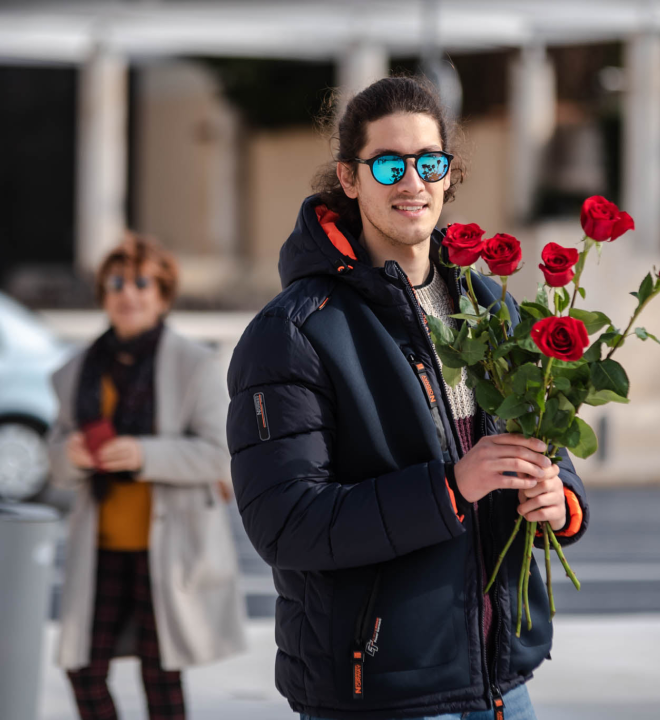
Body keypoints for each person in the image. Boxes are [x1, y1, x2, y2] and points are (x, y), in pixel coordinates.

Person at [225, 76, 588, 720]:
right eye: (388, 164)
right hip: (382, 692)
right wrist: (451, 487)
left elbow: (544, 445)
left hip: (502, 682)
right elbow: (286, 524)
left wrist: (561, 501)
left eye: (429, 162)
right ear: (349, 177)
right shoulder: (294, 331)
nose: (411, 181)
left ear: (450, 175)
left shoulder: (491, 307)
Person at [47, 234, 246, 720]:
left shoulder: (193, 363)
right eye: (116, 282)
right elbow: (56, 465)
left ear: (162, 295)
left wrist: (142, 453)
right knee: (84, 669)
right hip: (100, 549)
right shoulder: (77, 371)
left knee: (160, 678)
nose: (127, 293)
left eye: (141, 282)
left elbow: (220, 455)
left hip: (169, 549)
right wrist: (71, 455)